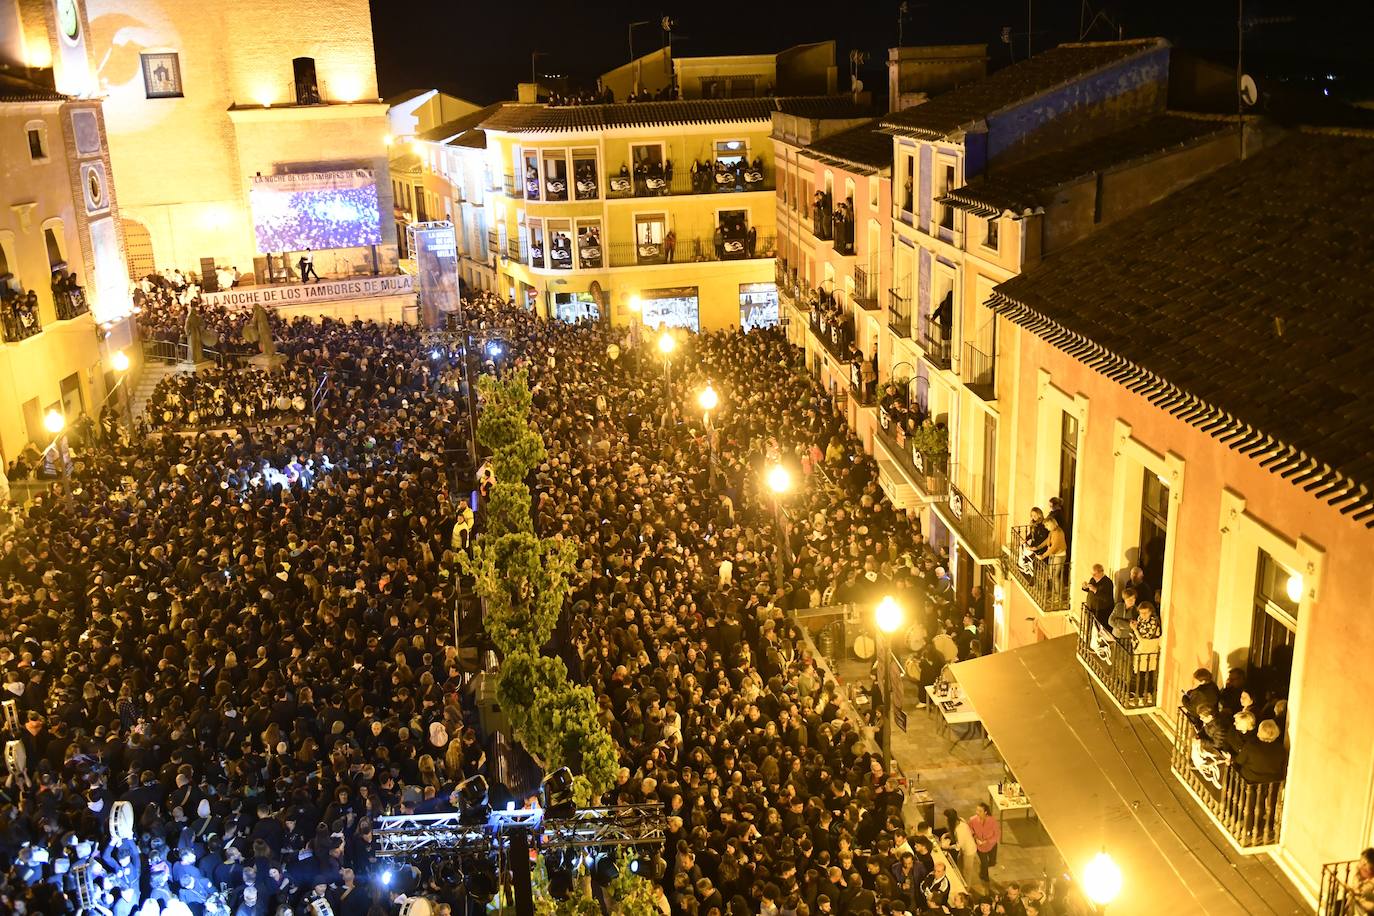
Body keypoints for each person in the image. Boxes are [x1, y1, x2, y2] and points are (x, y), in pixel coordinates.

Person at [968, 802, 1000, 882]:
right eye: (977, 810)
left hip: (991, 845)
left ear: (985, 812)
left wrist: (987, 841)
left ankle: (983, 867)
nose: (977, 812)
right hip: (980, 846)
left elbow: (997, 834)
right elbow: (970, 830)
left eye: (980, 811)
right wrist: (975, 838)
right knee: (984, 862)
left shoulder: (992, 821)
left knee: (992, 862)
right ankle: (984, 876)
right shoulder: (973, 820)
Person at [1082, 564, 1115, 630]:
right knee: (1090, 629)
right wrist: (1085, 587)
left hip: (1101, 612)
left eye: (1095, 574)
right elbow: (1090, 590)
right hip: (1091, 610)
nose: (1093, 576)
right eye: (1092, 574)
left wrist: (1096, 590)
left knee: (1098, 630)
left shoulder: (1107, 582)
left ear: (1101, 572)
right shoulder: (1093, 579)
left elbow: (1107, 598)